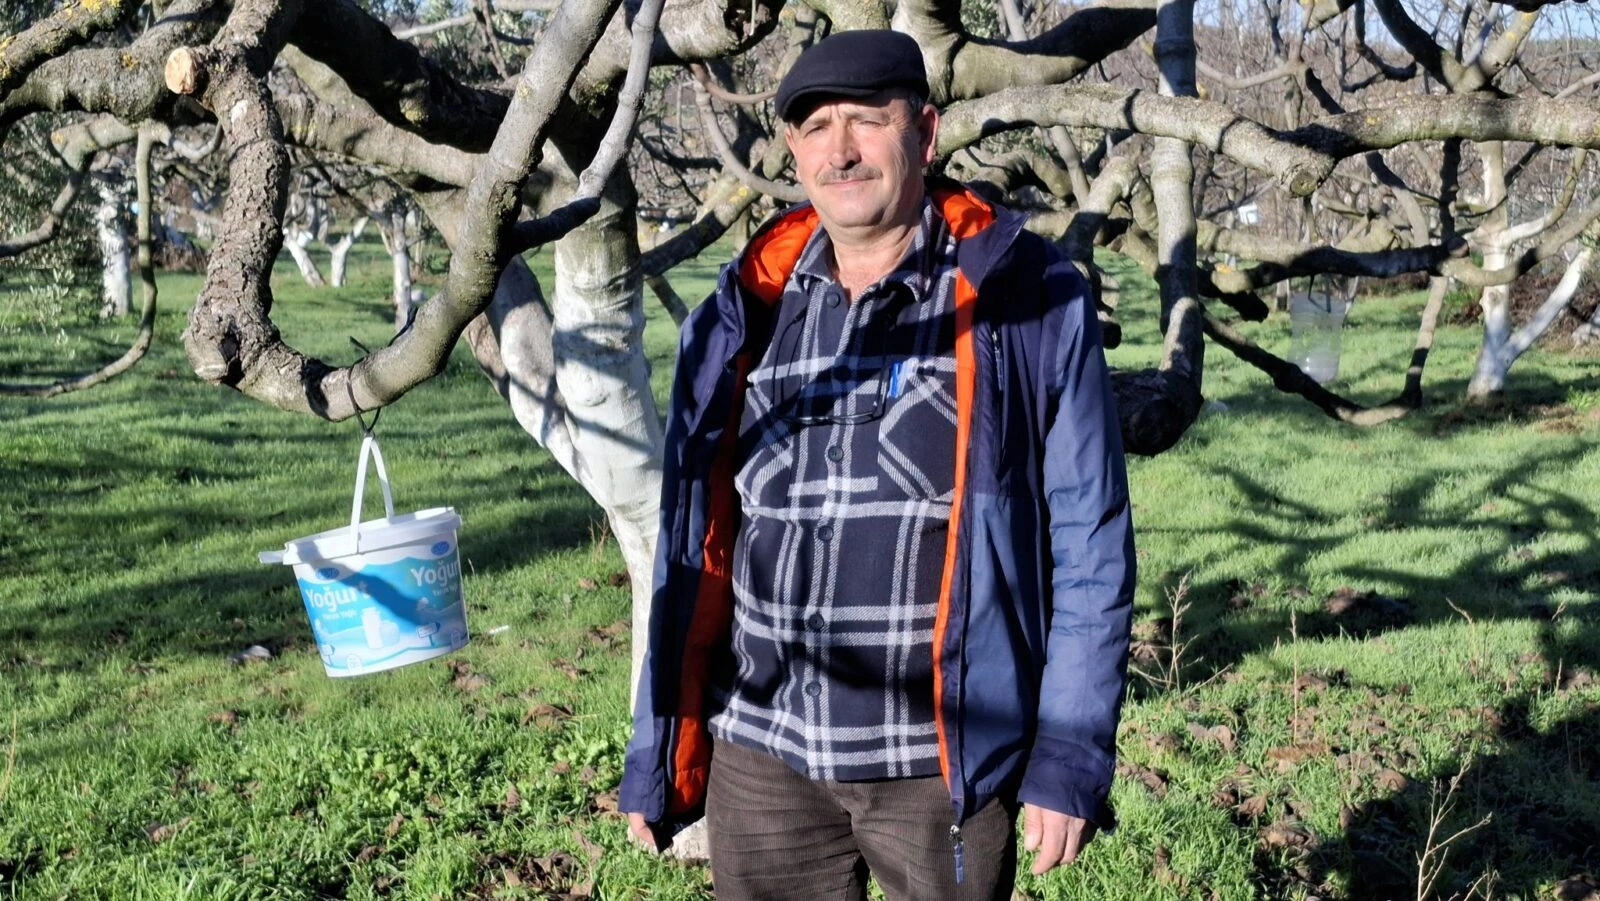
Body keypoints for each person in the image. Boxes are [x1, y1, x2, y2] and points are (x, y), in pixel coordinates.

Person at [619, 28, 1135, 901]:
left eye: (867, 121)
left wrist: (1070, 750)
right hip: (765, 753)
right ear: (791, 150)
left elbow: (1089, 535)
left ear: (925, 135)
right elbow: (691, 547)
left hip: (939, 763)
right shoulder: (745, 312)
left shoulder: (1023, 299)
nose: (841, 150)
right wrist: (660, 745)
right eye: (816, 128)